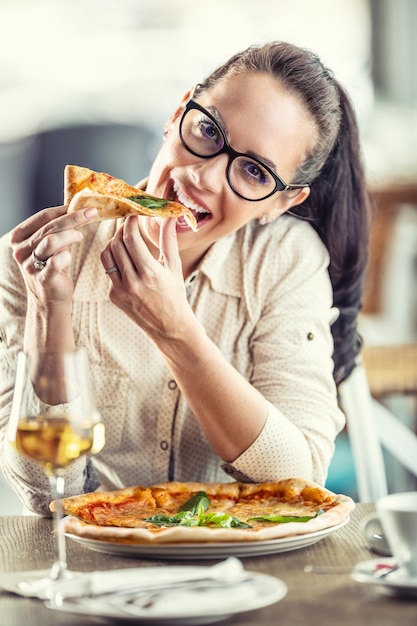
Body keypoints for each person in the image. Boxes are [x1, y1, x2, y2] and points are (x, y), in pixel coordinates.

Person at [0, 41, 372, 515]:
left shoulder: (285, 261)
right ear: (178, 113)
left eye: (255, 172)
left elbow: (300, 480)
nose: (205, 176)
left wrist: (175, 330)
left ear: (281, 204)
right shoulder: (32, 261)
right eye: (208, 130)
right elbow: (43, 495)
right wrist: (48, 311)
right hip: (98, 563)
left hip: (242, 565)